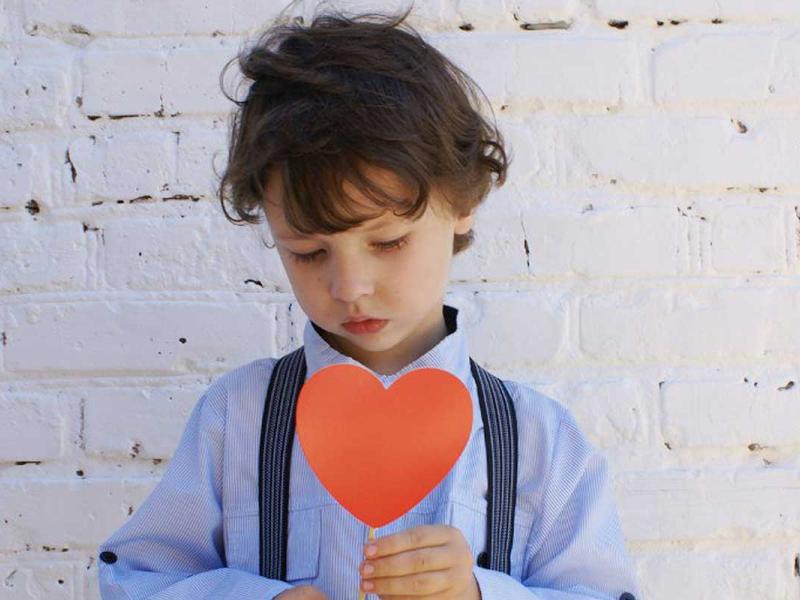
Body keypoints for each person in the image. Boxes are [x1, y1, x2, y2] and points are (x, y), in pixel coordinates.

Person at [97, 4, 640, 599]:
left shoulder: (542, 441)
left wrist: (484, 594)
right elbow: (135, 578)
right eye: (307, 252)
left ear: (462, 204)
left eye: (387, 241)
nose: (349, 287)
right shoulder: (235, 421)